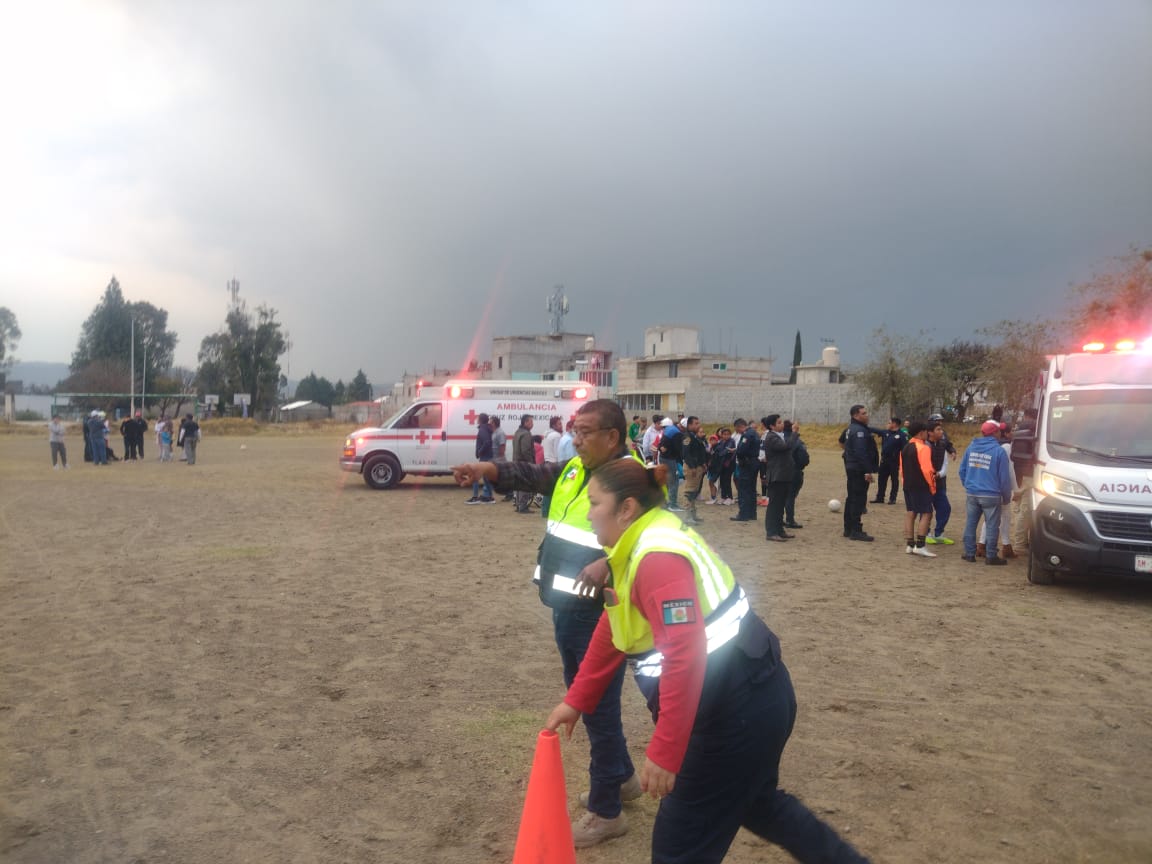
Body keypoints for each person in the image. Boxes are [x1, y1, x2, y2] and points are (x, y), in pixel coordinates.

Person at [545, 458, 871, 864]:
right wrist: (577, 699)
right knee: (758, 804)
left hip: (732, 715)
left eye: (595, 504)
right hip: (754, 695)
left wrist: (666, 751)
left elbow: (684, 655)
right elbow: (615, 625)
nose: (589, 513)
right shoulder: (634, 545)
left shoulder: (656, 558)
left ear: (626, 509)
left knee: (677, 850)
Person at [451, 401, 641, 847]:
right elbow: (535, 474)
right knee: (589, 699)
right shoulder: (577, 467)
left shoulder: (633, 479)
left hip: (598, 612)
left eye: (586, 432)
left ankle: (607, 811)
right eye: (575, 430)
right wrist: (486, 469)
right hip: (566, 604)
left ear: (612, 437)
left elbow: (651, 536)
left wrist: (609, 562)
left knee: (594, 704)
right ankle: (622, 780)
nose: (576, 438)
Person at [958, 420, 1013, 565]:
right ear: (995, 433)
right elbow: (1004, 478)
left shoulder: (971, 447)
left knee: (970, 524)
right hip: (991, 495)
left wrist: (968, 485)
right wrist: (1006, 497)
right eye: (998, 431)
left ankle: (969, 553)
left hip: (972, 493)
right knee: (992, 525)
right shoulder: (999, 451)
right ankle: (991, 556)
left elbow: (962, 470)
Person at [978, 422, 1020, 558]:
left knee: (990, 517)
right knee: (1005, 516)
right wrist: (1015, 489)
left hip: (987, 485)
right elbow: (1010, 471)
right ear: (1006, 433)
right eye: (1011, 431)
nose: (1013, 433)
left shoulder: (988, 446)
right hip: (1000, 487)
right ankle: (1006, 546)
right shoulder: (1007, 447)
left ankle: (981, 545)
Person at [899, 420, 937, 557]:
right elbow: (927, 470)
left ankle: (910, 544)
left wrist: (904, 483)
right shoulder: (923, 448)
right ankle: (920, 545)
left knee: (911, 512)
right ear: (921, 433)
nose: (928, 434)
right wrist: (932, 486)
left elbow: (901, 469)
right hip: (921, 485)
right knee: (927, 513)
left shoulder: (906, 447)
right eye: (926, 432)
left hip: (908, 485)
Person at [842, 405, 878, 541]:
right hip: (858, 469)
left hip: (853, 468)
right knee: (858, 499)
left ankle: (848, 528)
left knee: (851, 498)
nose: (867, 415)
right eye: (864, 413)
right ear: (856, 415)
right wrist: (867, 471)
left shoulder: (853, 428)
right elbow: (861, 452)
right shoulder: (859, 431)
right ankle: (856, 530)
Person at [760, 414, 798, 542]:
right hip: (777, 476)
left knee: (780, 505)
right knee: (774, 505)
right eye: (779, 422)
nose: (782, 424)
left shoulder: (778, 436)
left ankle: (780, 530)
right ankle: (771, 532)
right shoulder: (771, 437)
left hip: (783, 475)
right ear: (772, 426)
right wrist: (794, 433)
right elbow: (786, 447)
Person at [925, 415, 957, 546]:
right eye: (938, 428)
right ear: (930, 432)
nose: (941, 431)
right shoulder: (924, 444)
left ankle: (939, 533)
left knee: (945, 508)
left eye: (941, 427)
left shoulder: (943, 442)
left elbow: (945, 460)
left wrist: (940, 474)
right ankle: (925, 533)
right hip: (926, 483)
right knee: (926, 510)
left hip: (940, 482)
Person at [680, 416, 708, 526]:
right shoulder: (687, 437)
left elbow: (698, 452)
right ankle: (687, 516)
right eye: (696, 423)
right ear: (690, 425)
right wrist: (692, 467)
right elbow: (686, 454)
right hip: (691, 468)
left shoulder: (695, 436)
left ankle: (693, 514)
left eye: (698, 423)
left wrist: (703, 463)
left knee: (694, 492)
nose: (698, 425)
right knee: (689, 492)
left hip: (697, 467)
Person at [731, 418, 760, 522]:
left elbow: (742, 450)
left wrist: (737, 451)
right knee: (752, 489)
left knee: (743, 489)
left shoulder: (747, 435)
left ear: (739, 426)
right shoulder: (754, 433)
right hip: (754, 462)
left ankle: (743, 514)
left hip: (747, 464)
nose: (737, 432)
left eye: (737, 430)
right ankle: (752, 513)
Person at [873, 417, 906, 505]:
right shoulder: (885, 432)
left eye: (889, 423)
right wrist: (863, 426)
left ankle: (892, 498)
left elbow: (905, 449)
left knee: (894, 479)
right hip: (884, 460)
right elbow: (875, 430)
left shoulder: (902, 435)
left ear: (894, 424)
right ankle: (880, 497)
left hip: (894, 461)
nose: (887, 424)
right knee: (881, 479)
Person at [465, 412, 495, 504]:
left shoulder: (482, 430)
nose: (476, 420)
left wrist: (479, 451)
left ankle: (475, 497)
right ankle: (490, 497)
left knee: (475, 475)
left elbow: (487, 442)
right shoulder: (487, 429)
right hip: (487, 456)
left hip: (484, 457)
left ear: (480, 420)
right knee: (486, 478)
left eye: (478, 418)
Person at [783, 420, 808, 529]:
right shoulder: (797, 441)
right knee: (790, 496)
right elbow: (804, 458)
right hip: (794, 471)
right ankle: (790, 520)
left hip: (779, 471)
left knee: (781, 496)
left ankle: (779, 519)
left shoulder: (778, 438)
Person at [657, 417, 683, 510]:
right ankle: (673, 504)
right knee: (674, 481)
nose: (663, 429)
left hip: (663, 458)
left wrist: (661, 448)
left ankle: (666, 502)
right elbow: (678, 448)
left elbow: (660, 445)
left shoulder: (666, 432)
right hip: (670, 459)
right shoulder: (675, 432)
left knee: (667, 481)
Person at [540, 416, 564, 517]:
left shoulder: (547, 435)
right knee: (554, 489)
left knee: (548, 489)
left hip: (547, 462)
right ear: (554, 425)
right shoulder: (556, 436)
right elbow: (558, 452)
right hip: (554, 464)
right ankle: (549, 511)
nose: (561, 426)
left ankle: (545, 510)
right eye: (559, 424)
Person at [511, 415, 535, 514]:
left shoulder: (517, 432)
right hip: (524, 463)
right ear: (525, 422)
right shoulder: (526, 434)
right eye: (531, 422)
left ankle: (518, 505)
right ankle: (523, 506)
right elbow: (526, 451)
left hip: (516, 462)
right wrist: (531, 463)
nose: (532, 424)